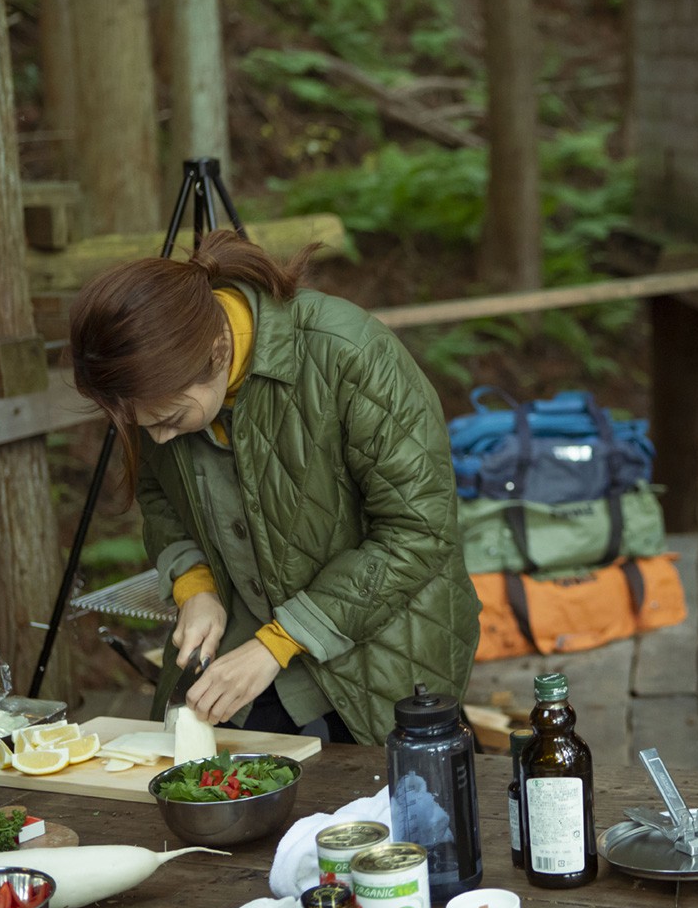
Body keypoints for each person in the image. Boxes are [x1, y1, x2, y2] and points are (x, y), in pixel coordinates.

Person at [68, 230, 480, 745]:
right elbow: (160, 499)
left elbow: (417, 532)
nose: (159, 439)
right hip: (245, 653)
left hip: (378, 653)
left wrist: (276, 644)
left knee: (381, 812)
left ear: (217, 350)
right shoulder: (152, 384)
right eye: (143, 428)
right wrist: (195, 589)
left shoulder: (348, 354)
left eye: (171, 420)